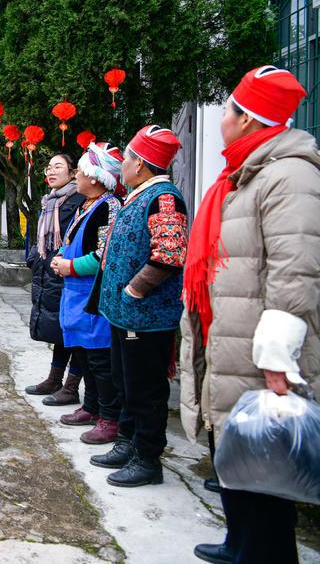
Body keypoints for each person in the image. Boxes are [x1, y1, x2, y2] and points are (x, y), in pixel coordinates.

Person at [179, 66, 319, 564]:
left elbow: (296, 266)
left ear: (247, 120)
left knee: (264, 465)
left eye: (231, 111)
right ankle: (238, 542)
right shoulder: (243, 173)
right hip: (229, 339)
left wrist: (278, 353)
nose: (223, 121)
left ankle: (262, 552)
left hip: (260, 351)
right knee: (233, 454)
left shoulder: (289, 175)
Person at [88, 124, 187, 487]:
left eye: (127, 157)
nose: (123, 164)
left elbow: (170, 256)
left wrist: (133, 291)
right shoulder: (137, 195)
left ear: (141, 164)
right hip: (124, 314)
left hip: (145, 318)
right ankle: (126, 441)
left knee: (145, 389)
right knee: (125, 381)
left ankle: (147, 458)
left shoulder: (163, 198)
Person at [50, 143, 123, 444]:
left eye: (79, 170)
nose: (76, 176)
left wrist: (70, 265)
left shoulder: (109, 206)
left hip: (93, 293)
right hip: (75, 293)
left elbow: (103, 254)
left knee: (99, 360)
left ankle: (109, 417)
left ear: (95, 177)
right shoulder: (86, 204)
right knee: (82, 354)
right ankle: (90, 407)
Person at [24, 154, 88, 401]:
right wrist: (34, 258)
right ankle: (54, 379)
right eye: (48, 167)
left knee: (73, 330)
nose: (51, 171)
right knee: (61, 330)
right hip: (49, 272)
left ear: (73, 173)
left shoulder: (79, 201)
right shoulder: (51, 201)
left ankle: (71, 386)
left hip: (68, 272)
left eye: (58, 167)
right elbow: (41, 237)